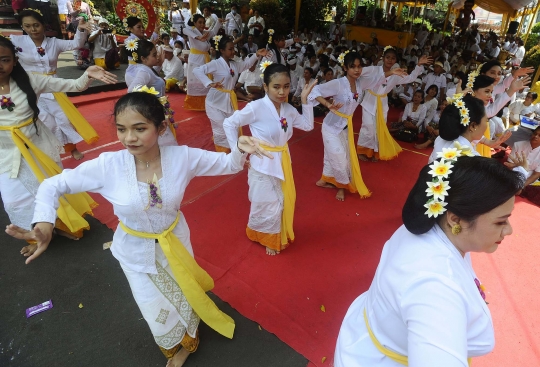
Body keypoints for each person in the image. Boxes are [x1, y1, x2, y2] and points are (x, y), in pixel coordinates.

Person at [6, 91, 273, 367]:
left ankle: (190, 337)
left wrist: (239, 146)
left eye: (140, 128)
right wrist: (44, 223)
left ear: (161, 128)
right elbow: (53, 185)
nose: (129, 138)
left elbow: (228, 165)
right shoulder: (109, 165)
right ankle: (173, 342)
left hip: (175, 241)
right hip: (135, 251)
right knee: (152, 303)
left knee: (184, 291)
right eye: (121, 129)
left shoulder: (183, 157)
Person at [335, 153, 523, 366]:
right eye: (500, 222)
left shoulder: (434, 230)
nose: (509, 230)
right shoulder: (435, 288)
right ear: (455, 219)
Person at [0, 37, 116, 258]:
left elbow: (72, 85)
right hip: (5, 154)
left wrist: (87, 74)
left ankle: (59, 227)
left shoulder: (31, 81)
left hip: (38, 148)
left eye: (4, 59)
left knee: (51, 189)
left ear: (14, 61)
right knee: (14, 199)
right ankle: (34, 235)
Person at [223, 63, 316, 255]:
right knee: (265, 201)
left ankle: (271, 233)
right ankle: (264, 234)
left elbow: (307, 126)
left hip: (282, 160)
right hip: (261, 161)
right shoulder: (256, 107)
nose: (282, 92)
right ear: (265, 87)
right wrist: (237, 151)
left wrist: (305, 100)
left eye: (287, 86)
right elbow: (229, 123)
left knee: (279, 200)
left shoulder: (288, 109)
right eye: (276, 87)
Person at [310, 51, 406, 201]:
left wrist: (392, 72)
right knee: (339, 157)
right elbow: (315, 90)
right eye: (352, 66)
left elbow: (377, 79)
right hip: (330, 127)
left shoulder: (361, 82)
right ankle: (342, 187)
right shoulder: (338, 83)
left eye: (359, 66)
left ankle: (325, 179)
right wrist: (327, 104)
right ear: (345, 68)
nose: (356, 70)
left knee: (334, 155)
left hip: (345, 127)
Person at [12, 9, 95, 161]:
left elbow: (77, 44)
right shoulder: (15, 42)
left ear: (43, 25)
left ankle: (72, 147)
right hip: (31, 87)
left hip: (54, 86)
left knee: (64, 119)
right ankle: (51, 150)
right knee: (46, 121)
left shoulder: (54, 43)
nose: (32, 29)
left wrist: (81, 30)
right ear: (22, 27)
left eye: (36, 25)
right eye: (27, 26)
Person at [356, 47, 432, 162]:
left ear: (395, 60)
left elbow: (410, 78)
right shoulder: (374, 69)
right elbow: (361, 73)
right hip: (369, 101)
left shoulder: (396, 75)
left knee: (378, 129)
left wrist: (419, 65)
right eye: (388, 57)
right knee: (368, 127)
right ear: (383, 58)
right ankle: (362, 150)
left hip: (382, 103)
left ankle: (374, 152)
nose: (390, 60)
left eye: (393, 58)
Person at [193, 36, 267, 152]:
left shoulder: (234, 64)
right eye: (230, 49)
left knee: (232, 126)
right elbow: (197, 70)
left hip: (228, 102)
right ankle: (223, 150)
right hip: (214, 103)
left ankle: (233, 149)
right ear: (222, 50)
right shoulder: (216, 63)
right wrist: (210, 83)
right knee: (222, 127)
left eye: (234, 49)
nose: (234, 51)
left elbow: (246, 65)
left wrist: (257, 54)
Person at [124, 39, 177, 147]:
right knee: (163, 144)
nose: (157, 56)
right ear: (143, 58)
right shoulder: (144, 71)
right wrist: (151, 103)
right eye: (154, 55)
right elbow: (132, 90)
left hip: (156, 111)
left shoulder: (145, 68)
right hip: (153, 112)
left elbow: (152, 78)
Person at [182, 13, 222, 111]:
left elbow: (212, 32)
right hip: (195, 60)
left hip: (204, 59)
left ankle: (206, 103)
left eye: (203, 22)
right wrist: (197, 37)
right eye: (199, 22)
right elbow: (184, 30)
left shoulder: (204, 33)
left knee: (205, 81)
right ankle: (195, 104)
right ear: (194, 23)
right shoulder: (192, 31)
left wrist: (218, 22)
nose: (202, 24)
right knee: (198, 80)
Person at [508, 127, 540, 205]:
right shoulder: (518, 144)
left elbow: (536, 174)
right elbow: (509, 166)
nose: (536, 136)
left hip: (530, 180)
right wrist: (517, 182)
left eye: (539, 135)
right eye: (535, 133)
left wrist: (522, 185)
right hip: (514, 175)